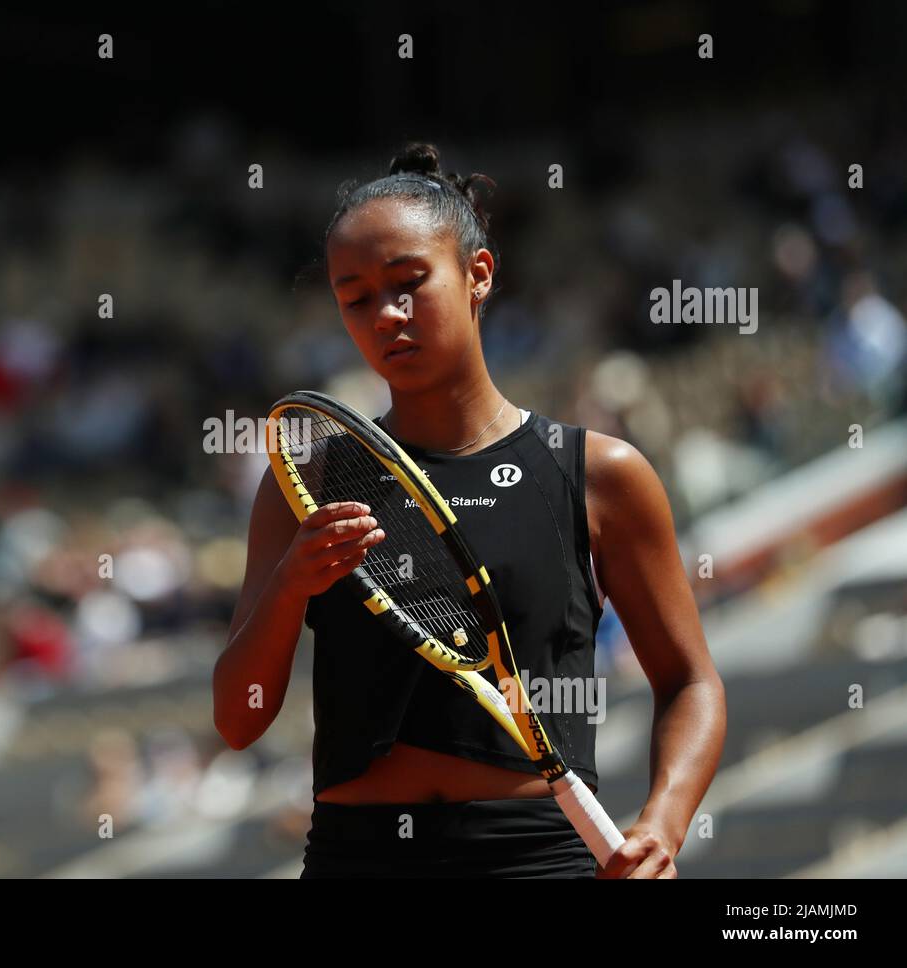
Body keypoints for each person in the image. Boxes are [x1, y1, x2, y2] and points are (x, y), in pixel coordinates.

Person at [213, 143, 726, 878]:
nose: (385, 315)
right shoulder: (305, 482)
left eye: (409, 282)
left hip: (540, 858)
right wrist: (293, 584)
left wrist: (664, 824)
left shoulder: (601, 474)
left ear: (477, 274)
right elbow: (239, 719)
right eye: (354, 298)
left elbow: (691, 683)